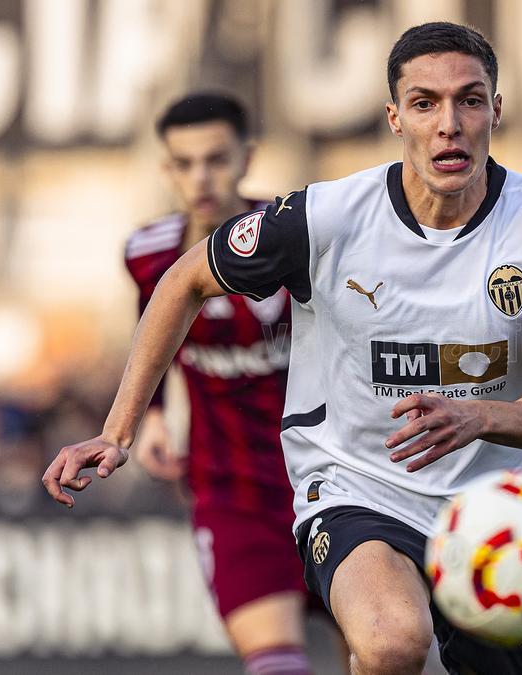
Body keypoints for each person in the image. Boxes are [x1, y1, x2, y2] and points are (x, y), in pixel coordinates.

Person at [43, 22, 522, 675]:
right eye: (425, 103)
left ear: (496, 111)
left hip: (499, 509)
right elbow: (185, 278)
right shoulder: (327, 217)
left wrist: (481, 416)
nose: (449, 122)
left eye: (470, 100)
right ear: (396, 118)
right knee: (394, 640)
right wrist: (119, 431)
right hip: (357, 485)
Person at [123, 93, 311, 674]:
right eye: (184, 163)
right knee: (274, 663)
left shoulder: (297, 236)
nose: (201, 177)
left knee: (385, 651)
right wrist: (152, 415)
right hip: (232, 492)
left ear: (246, 158)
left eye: (216, 159)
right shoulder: (147, 255)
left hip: (329, 480)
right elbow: (151, 334)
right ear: (167, 171)